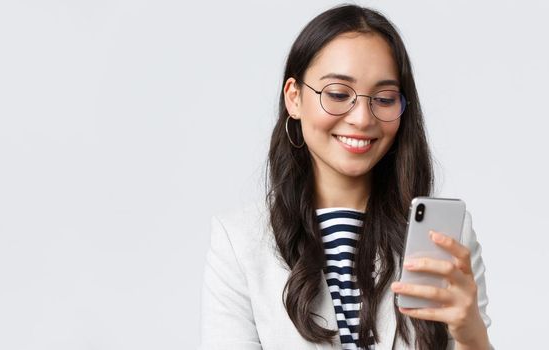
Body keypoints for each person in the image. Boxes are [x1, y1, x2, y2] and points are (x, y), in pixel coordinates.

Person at [198, 4, 492, 350]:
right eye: (338, 94)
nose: (362, 118)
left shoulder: (446, 238)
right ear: (294, 98)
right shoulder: (239, 241)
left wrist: (471, 334)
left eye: (384, 99)